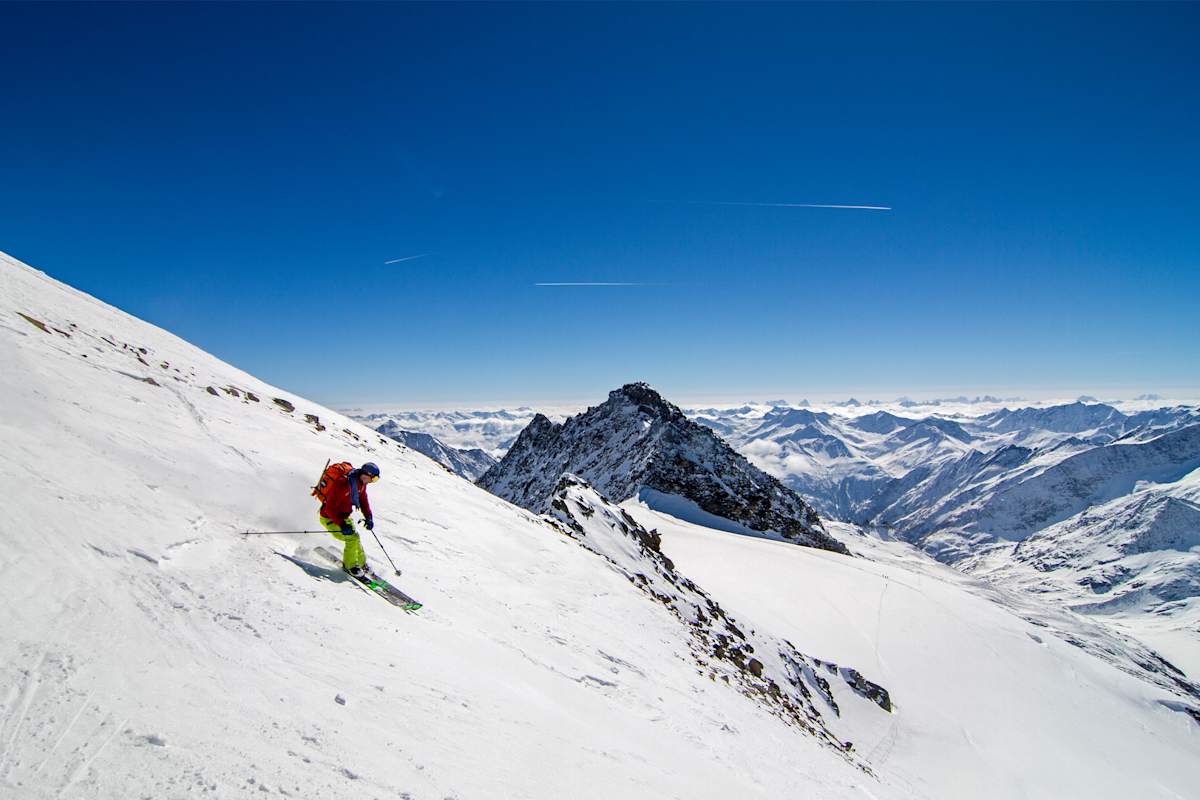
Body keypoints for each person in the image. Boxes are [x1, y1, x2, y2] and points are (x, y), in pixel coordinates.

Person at [317, 462, 380, 578]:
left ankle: (362, 563)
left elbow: (363, 499)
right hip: (329, 518)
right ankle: (350, 566)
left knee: (356, 538)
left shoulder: (361, 483)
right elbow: (329, 508)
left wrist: (369, 517)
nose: (372, 482)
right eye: (373, 478)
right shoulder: (343, 483)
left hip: (344, 517)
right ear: (366, 474)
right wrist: (341, 524)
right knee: (352, 538)